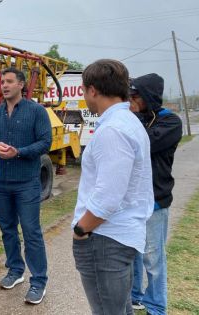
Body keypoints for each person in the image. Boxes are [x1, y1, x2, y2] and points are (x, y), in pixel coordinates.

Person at [71, 59, 154, 315]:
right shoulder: (127, 122)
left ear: (92, 90)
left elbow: (108, 197)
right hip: (116, 237)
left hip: (104, 239)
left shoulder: (113, 130)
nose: (85, 96)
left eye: (84, 91)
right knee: (119, 309)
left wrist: (81, 230)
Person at [0, 67, 51, 305]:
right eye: (2, 82)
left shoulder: (36, 111)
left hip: (26, 184)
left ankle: (38, 282)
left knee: (31, 232)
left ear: (21, 85)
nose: (4, 85)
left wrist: (18, 152)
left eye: (9, 81)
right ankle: (15, 271)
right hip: (0, 182)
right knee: (8, 230)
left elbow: (45, 142)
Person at [129, 73, 182, 315]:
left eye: (135, 95)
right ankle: (135, 296)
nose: (130, 99)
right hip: (132, 199)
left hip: (155, 200)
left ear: (148, 96)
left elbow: (143, 143)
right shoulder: (135, 118)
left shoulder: (170, 121)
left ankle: (156, 306)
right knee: (133, 253)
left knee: (153, 258)